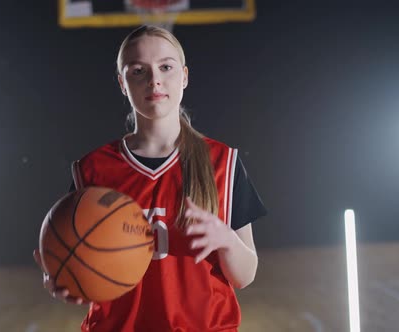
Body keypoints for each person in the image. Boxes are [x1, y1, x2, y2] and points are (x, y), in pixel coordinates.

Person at [34, 25, 267, 332]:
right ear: (122, 82)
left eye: (166, 67)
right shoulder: (92, 170)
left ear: (184, 76)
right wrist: (66, 274)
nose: (155, 79)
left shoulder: (223, 163)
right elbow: (76, 258)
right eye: (138, 71)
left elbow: (245, 275)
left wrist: (226, 241)